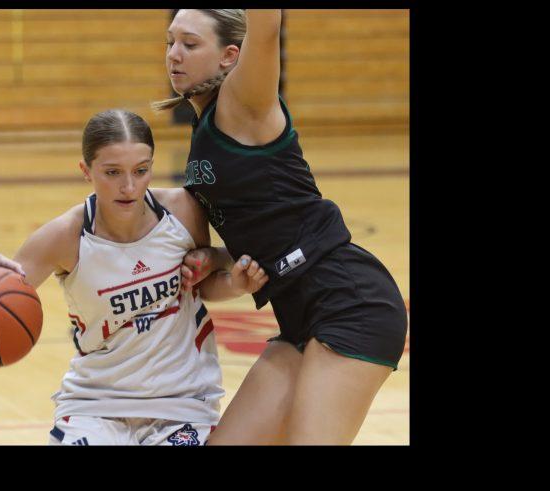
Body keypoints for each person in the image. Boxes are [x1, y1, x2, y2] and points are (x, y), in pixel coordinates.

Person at [154, 9, 408, 445]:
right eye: (170, 41)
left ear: (230, 56)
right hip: (299, 317)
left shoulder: (243, 102)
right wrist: (218, 258)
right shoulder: (206, 126)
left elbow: (267, 23)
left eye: (190, 44)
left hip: (351, 305)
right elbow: (270, 231)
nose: (174, 54)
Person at [0, 109, 269, 446]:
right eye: (113, 172)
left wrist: (233, 282)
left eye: (141, 171)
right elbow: (3, 287)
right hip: (95, 404)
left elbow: (202, 285)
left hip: (183, 404)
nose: (129, 186)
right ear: (86, 170)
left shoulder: (183, 211)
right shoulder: (65, 236)